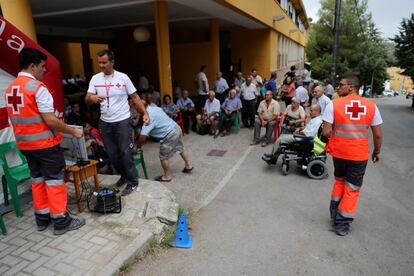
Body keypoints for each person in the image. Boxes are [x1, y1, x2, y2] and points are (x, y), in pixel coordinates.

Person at [4, 48, 85, 235]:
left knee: (37, 180)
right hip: (45, 145)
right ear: (32, 66)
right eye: (42, 66)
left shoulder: (11, 89)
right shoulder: (37, 88)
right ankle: (61, 221)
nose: (45, 70)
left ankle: (42, 218)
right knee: (54, 181)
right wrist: (73, 131)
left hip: (25, 146)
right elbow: (50, 120)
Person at [322, 75, 383, 236]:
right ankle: (342, 225)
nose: (338, 88)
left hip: (339, 154)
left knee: (339, 181)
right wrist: (377, 151)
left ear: (351, 87)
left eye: (341, 85)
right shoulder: (371, 106)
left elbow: (326, 132)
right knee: (352, 189)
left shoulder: (333, 104)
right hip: (358, 156)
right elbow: (377, 135)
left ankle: (334, 214)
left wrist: (338, 137)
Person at [85, 49, 149, 196]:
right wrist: (92, 98)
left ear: (112, 62)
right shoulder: (95, 79)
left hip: (122, 122)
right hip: (105, 123)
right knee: (113, 155)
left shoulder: (123, 78)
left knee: (126, 152)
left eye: (104, 62)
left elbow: (135, 97)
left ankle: (133, 181)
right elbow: (87, 97)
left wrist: (144, 113)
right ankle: (124, 175)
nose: (101, 65)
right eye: (99, 62)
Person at [138, 100, 193, 182]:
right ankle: (188, 166)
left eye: (135, 106)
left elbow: (142, 137)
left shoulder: (148, 116)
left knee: (163, 156)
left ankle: (167, 176)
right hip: (175, 128)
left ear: (140, 107)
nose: (134, 108)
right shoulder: (154, 108)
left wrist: (138, 146)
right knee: (180, 148)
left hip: (169, 134)